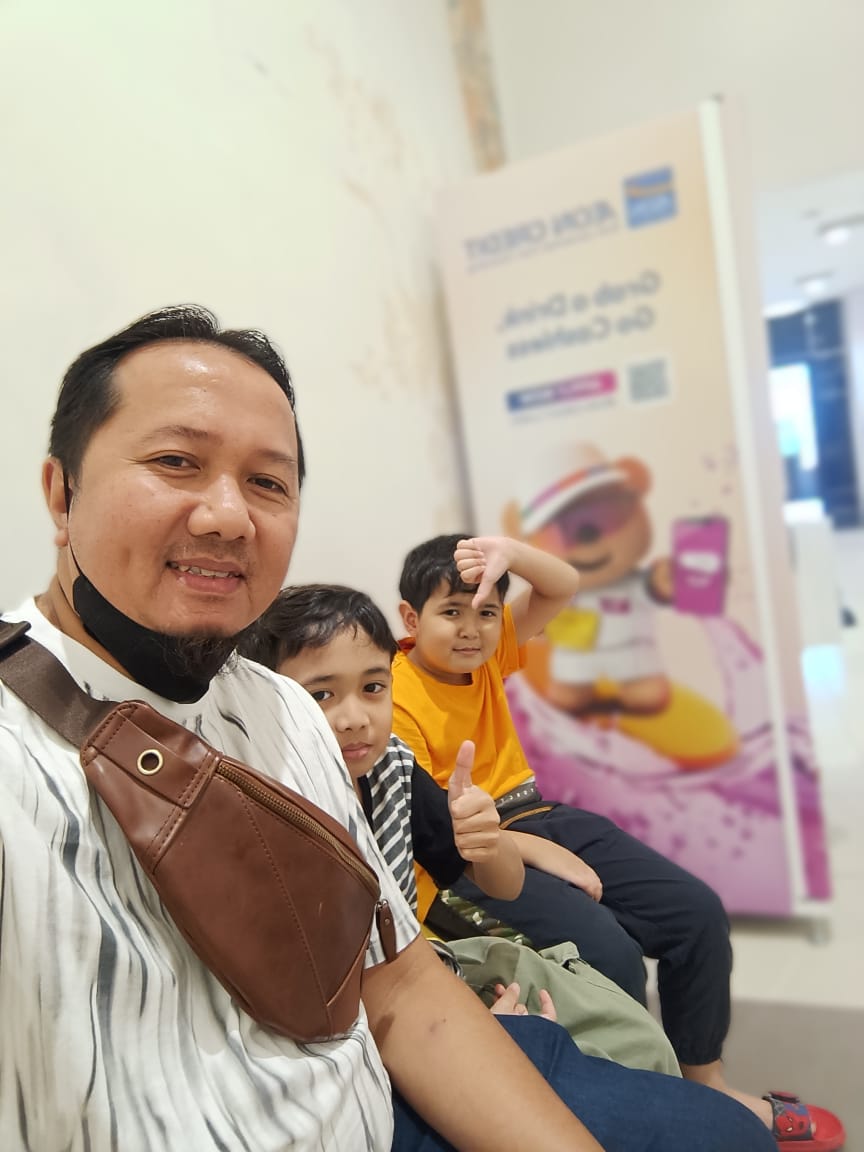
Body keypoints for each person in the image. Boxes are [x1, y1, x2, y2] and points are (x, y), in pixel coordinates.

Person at [0, 306, 779, 1152]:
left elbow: (397, 982)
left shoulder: (285, 712)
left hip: (382, 1072)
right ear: (62, 493)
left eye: (268, 482)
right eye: (175, 462)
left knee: (723, 1122)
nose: (227, 516)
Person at [390, 532, 844, 1148]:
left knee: (695, 914)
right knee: (609, 953)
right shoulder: (396, 694)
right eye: (452, 613)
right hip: (468, 851)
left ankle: (703, 1084)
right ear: (411, 619)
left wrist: (509, 553)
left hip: (535, 812)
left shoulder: (486, 656)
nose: (472, 630)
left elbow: (562, 585)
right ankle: (633, 1103)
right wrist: (536, 850)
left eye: (487, 613)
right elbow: (441, 830)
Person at [240, 583, 681, 1077]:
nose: (355, 718)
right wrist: (476, 1029)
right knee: (564, 1056)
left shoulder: (392, 770)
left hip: (419, 979)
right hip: (349, 1026)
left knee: (634, 1035)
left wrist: (489, 842)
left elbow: (503, 885)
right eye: (321, 694)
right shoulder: (262, 803)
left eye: (373, 688)